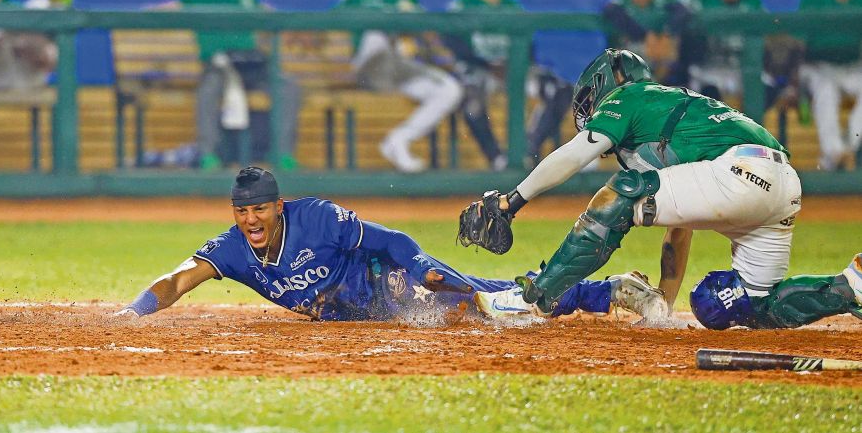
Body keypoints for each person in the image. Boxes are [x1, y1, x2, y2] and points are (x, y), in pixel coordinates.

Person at [465, 48, 862, 329]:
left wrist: (510, 201)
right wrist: (665, 305)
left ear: (605, 85)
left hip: (741, 173)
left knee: (622, 192)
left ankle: (532, 299)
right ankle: (849, 288)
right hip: (782, 185)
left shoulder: (630, 97)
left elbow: (573, 155)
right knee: (745, 307)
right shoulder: (670, 114)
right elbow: (681, 223)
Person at [115, 166, 666, 322]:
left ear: (277, 206)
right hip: (356, 313)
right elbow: (176, 280)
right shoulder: (232, 248)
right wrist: (136, 311)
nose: (251, 220)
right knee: (484, 305)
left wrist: (424, 267)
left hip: (389, 281)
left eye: (259, 209)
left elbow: (390, 239)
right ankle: (605, 291)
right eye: (242, 212)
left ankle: (608, 291)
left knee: (488, 304)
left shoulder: (318, 217)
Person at [445, 0, 575, 170]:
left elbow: (528, 48)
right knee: (470, 96)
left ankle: (526, 152)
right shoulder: (462, 5)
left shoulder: (513, 6)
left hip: (513, 69)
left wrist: (517, 66)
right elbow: (455, 46)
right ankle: (496, 158)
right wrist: (487, 65)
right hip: (480, 70)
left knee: (559, 89)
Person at [336, 0, 462, 173]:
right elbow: (325, 27)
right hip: (369, 71)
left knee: (450, 90)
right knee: (377, 35)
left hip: (399, 72)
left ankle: (398, 140)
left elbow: (429, 35)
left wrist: (415, 24)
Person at [177, 0, 300, 170]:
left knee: (288, 87)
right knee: (207, 91)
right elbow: (165, 11)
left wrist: (295, 31)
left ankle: (282, 154)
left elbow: (271, 17)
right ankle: (208, 155)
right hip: (220, 67)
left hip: (251, 64)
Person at [798, 0, 862, 171]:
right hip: (819, 66)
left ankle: (847, 148)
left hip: (853, 66)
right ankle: (834, 153)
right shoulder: (813, 0)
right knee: (825, 90)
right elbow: (798, 42)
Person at [601, 0, 689, 83]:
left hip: (664, 64)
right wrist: (645, 37)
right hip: (628, 72)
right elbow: (611, 13)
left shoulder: (664, 4)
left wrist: (667, 34)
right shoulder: (619, 7)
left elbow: (684, 12)